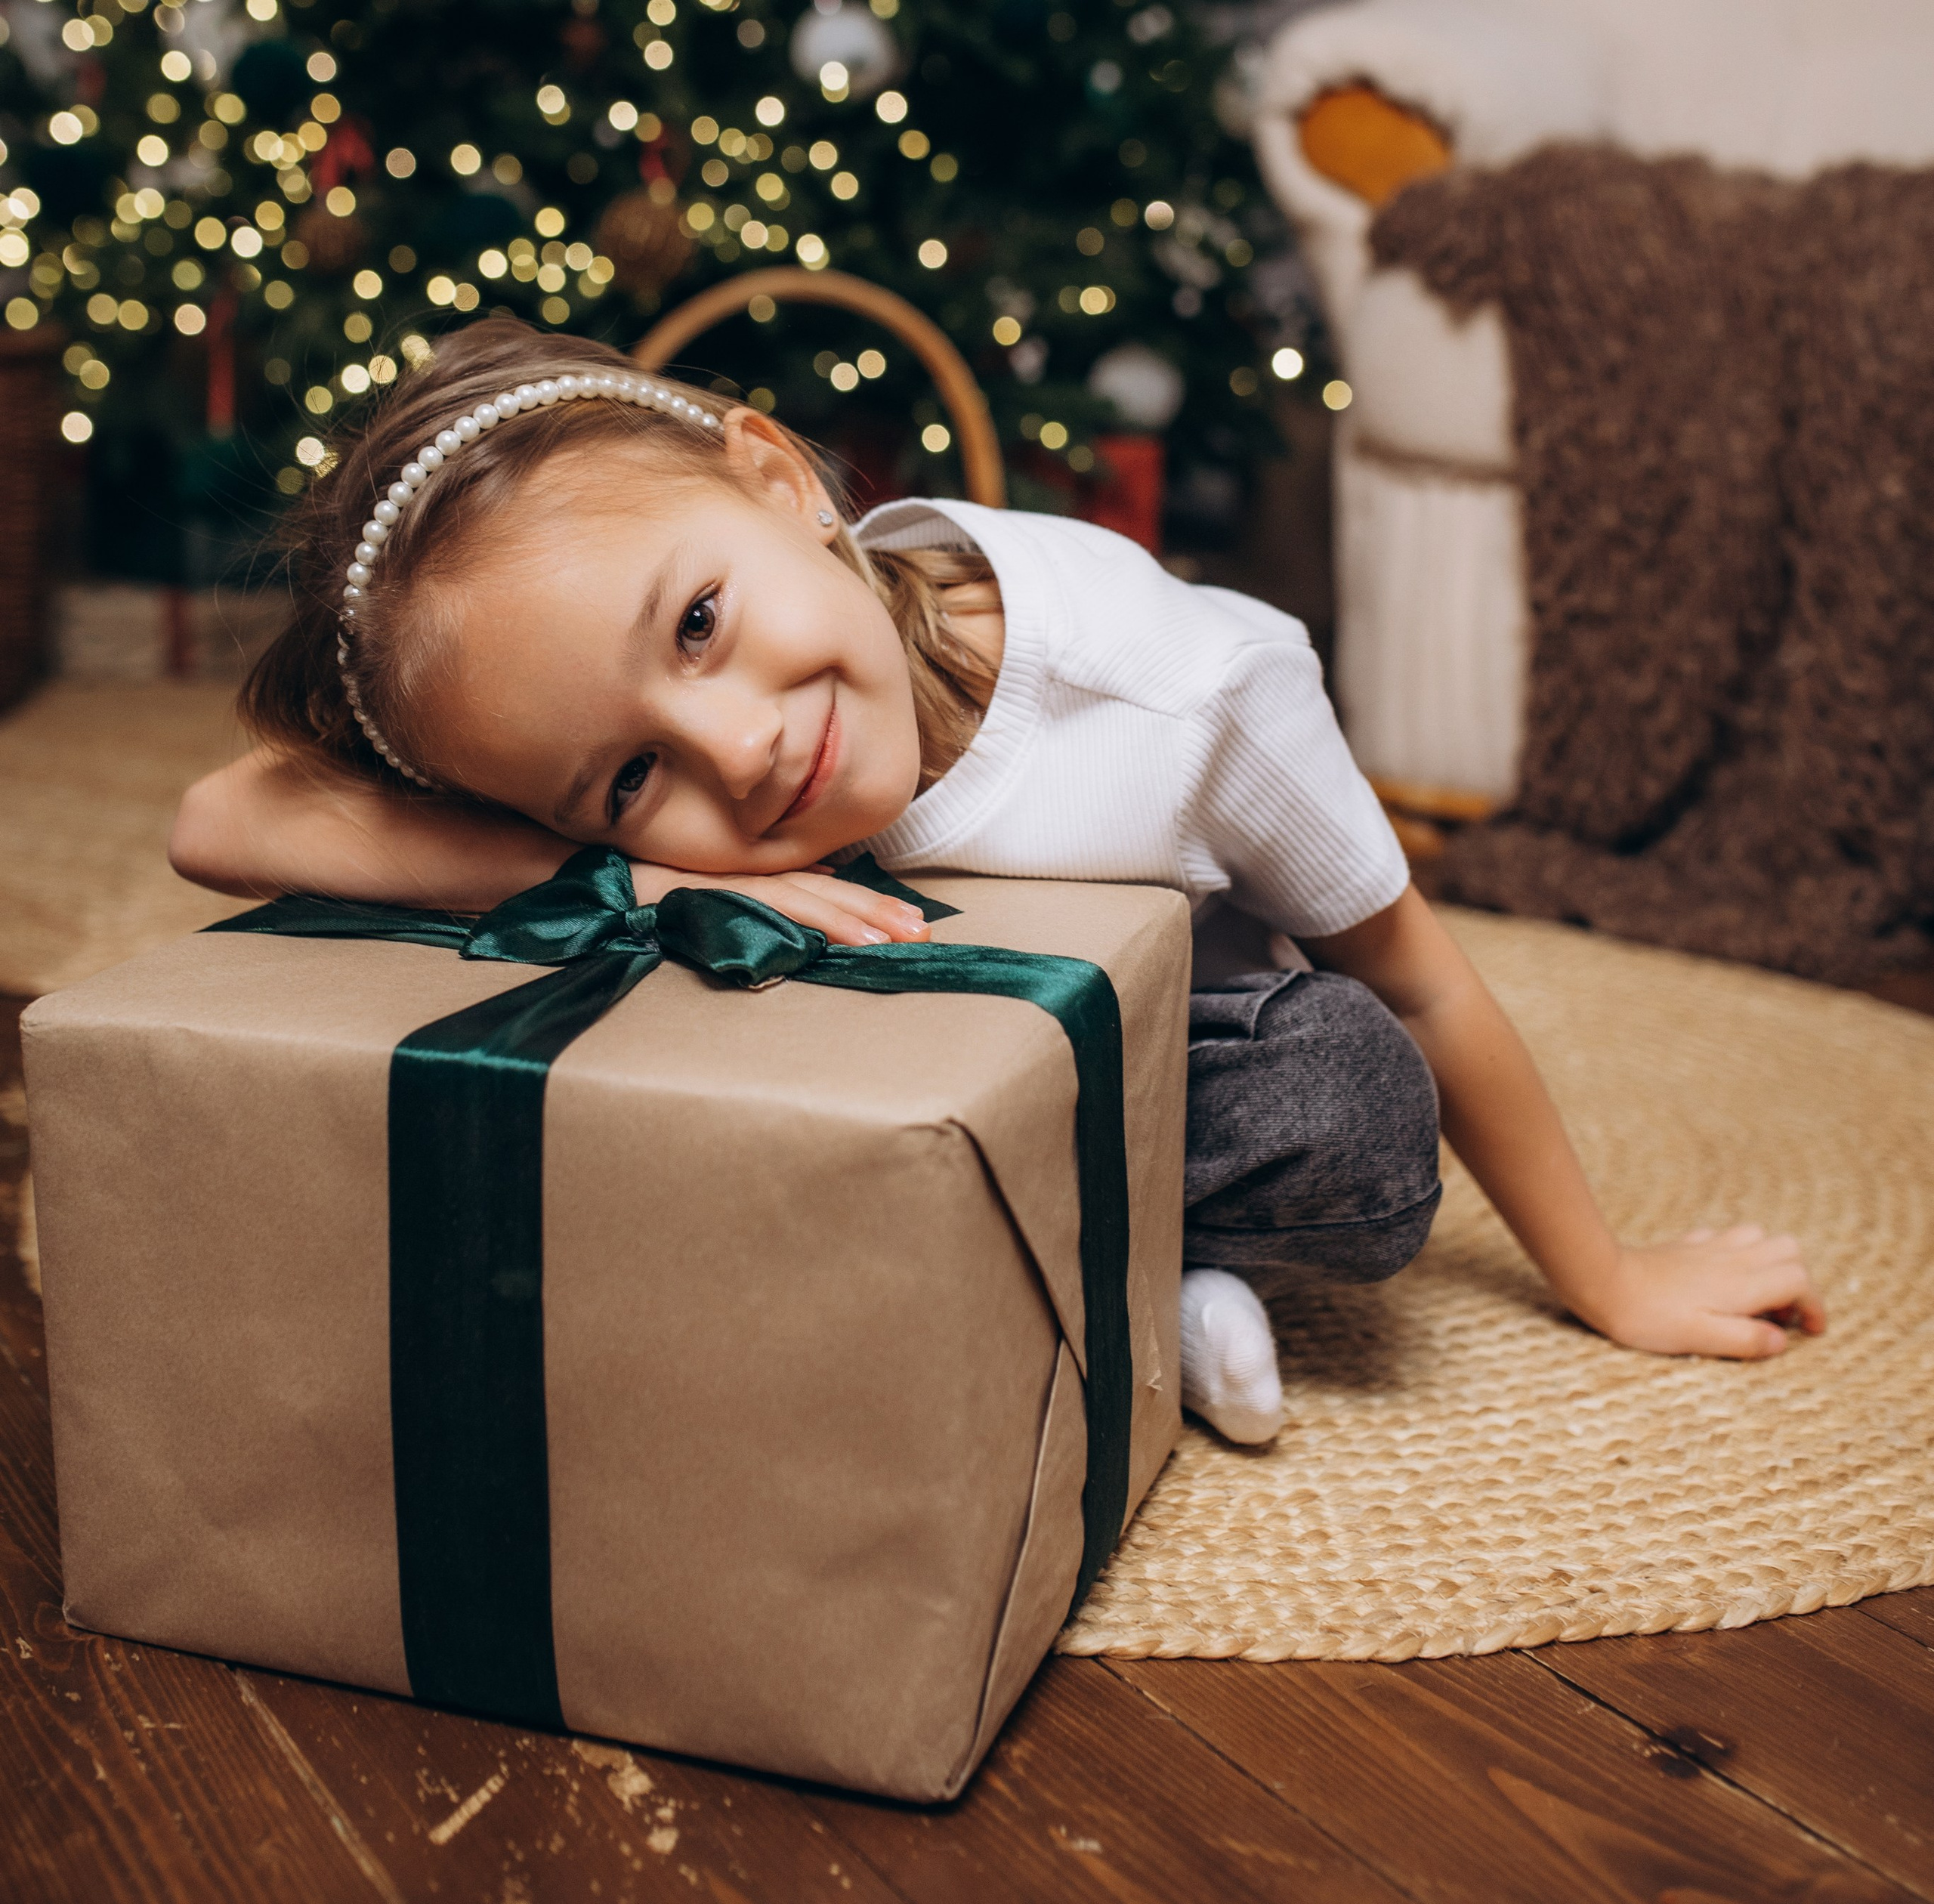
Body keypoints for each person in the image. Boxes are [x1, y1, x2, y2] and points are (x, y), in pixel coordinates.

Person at [173, 318, 1824, 1442]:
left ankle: (1154, 1263)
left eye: (696, 627)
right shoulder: (671, 797)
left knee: (1349, 1095)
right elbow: (221, 815)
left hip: (1140, 1055)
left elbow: (1417, 973)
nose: (735, 752)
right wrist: (619, 880)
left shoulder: (1186, 694)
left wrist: (1606, 1279)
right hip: (851, 1044)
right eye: (626, 775)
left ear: (778, 482)